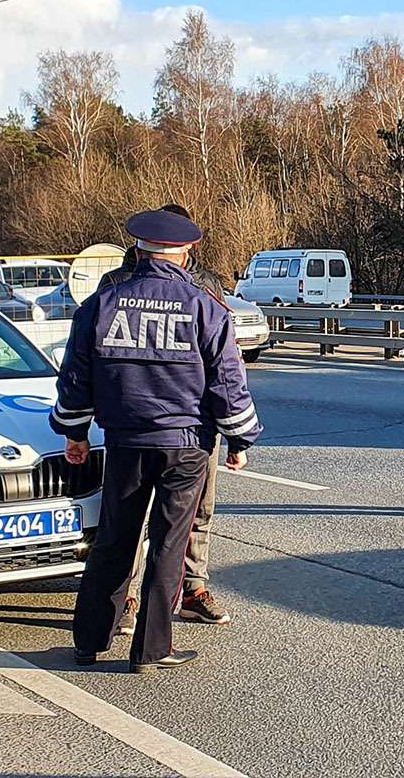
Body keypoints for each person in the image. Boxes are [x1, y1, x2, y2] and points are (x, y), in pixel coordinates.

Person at [51, 208, 261, 673]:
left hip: (125, 440)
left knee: (114, 540)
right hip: (185, 444)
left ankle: (89, 641)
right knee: (169, 545)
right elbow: (227, 381)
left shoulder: (103, 302)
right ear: (186, 252)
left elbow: (76, 376)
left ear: (139, 248)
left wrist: (74, 432)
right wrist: (240, 438)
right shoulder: (205, 305)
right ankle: (151, 650)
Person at [97, 204, 232, 633]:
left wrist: (231, 424)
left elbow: (222, 360)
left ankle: (192, 589)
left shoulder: (205, 285)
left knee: (197, 515)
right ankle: (128, 598)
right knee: (132, 520)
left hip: (195, 425)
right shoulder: (115, 285)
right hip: (139, 425)